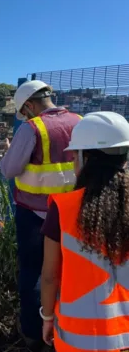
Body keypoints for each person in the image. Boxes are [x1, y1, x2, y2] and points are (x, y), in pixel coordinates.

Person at [0, 80, 82, 347]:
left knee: (34, 274)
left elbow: (9, 170)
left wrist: (10, 150)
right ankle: (67, 328)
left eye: (24, 111)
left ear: (30, 105)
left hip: (36, 214)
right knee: (71, 272)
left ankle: (35, 333)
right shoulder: (81, 121)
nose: (25, 116)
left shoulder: (32, 128)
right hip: (75, 210)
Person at [40, 111, 129, 351]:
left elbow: (50, 276)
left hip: (77, 339)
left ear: (84, 157)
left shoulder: (63, 208)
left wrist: (47, 317)